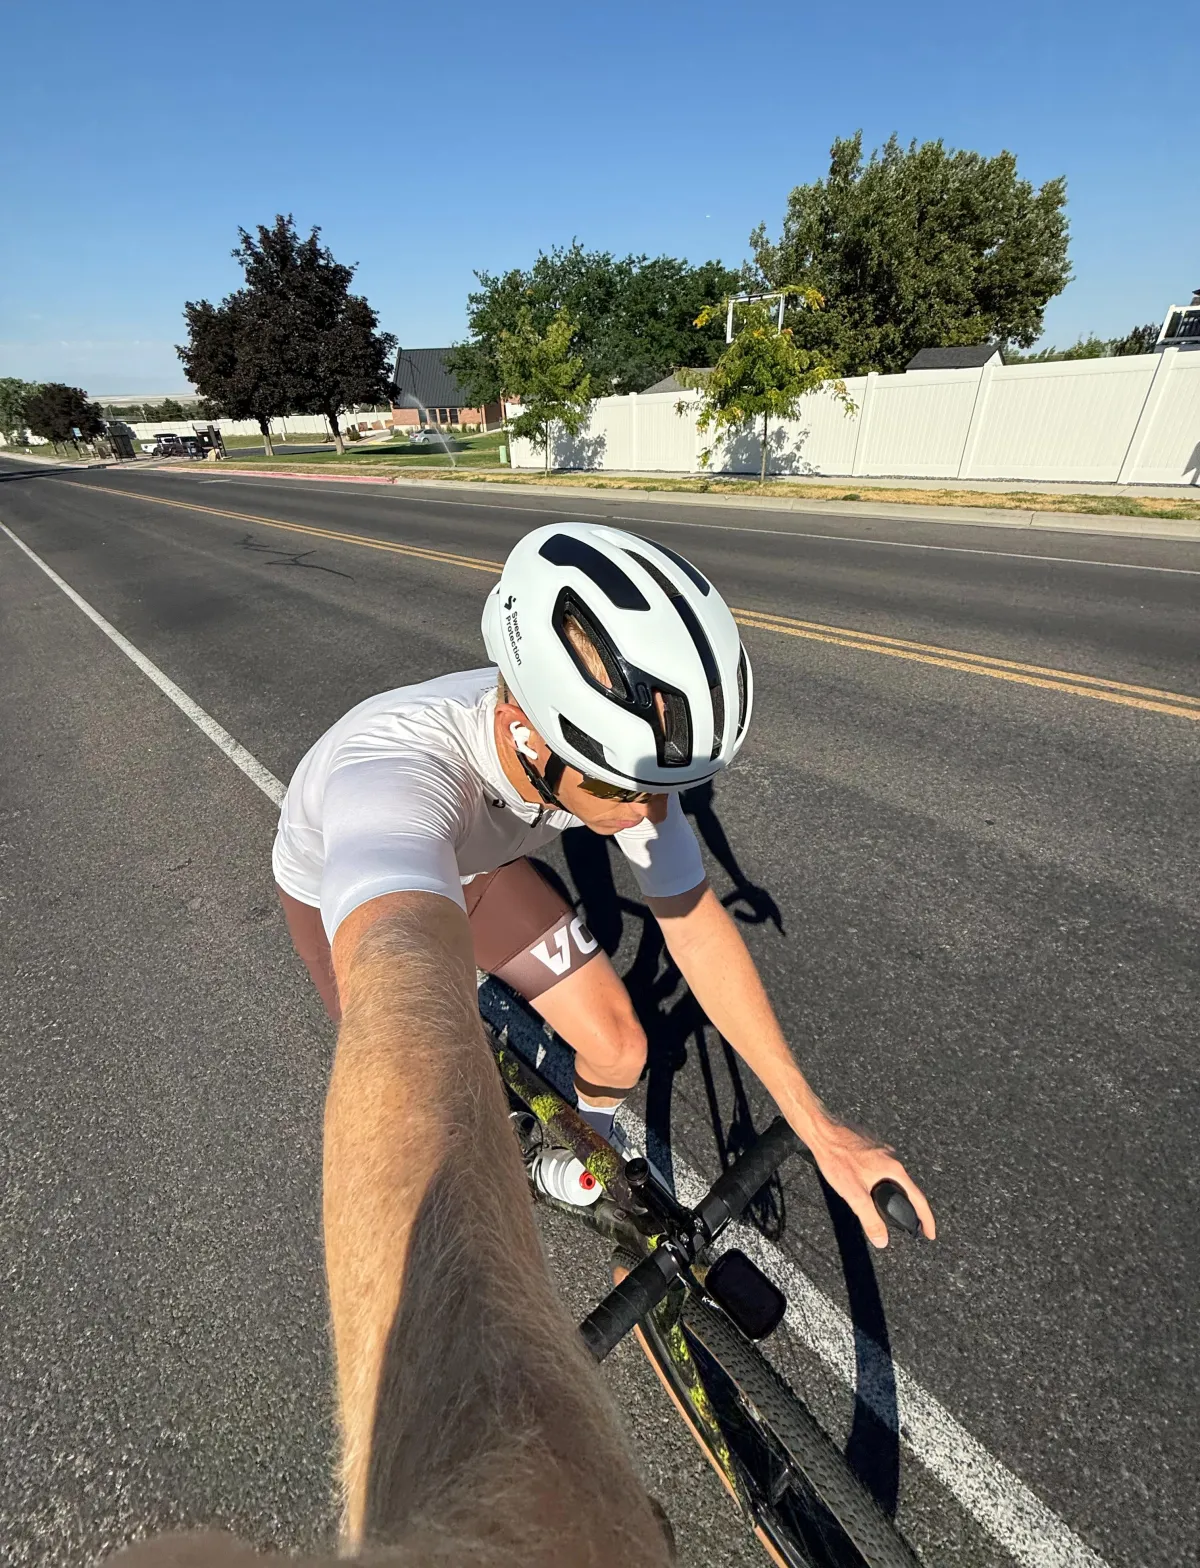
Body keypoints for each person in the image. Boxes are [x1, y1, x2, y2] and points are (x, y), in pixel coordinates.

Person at [271, 521, 936, 1551]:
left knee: (620, 1048)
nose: (651, 815)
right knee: (429, 1072)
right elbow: (400, 1034)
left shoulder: (608, 760)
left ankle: (560, 1158)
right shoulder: (388, 774)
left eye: (664, 791)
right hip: (356, 890)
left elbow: (693, 923)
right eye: (627, 791)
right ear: (529, 732)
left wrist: (817, 1123)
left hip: (478, 867)